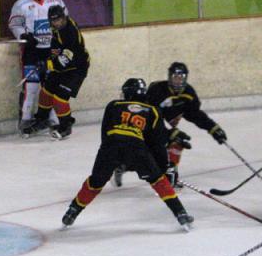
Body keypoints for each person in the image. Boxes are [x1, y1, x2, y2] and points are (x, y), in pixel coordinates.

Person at [61, 78, 194, 230]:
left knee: (96, 182)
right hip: (136, 147)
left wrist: (109, 156)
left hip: (110, 146)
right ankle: (181, 214)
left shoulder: (114, 105)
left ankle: (72, 212)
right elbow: (156, 144)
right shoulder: (153, 111)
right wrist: (164, 168)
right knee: (158, 180)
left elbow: (105, 133)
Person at [145, 62, 227, 183]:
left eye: (181, 77)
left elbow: (195, 114)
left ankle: (170, 176)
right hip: (149, 127)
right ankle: (121, 166)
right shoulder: (157, 91)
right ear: (169, 77)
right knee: (144, 152)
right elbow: (149, 117)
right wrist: (168, 132)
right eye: (175, 77)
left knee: (178, 142)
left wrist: (213, 128)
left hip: (165, 128)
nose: (178, 80)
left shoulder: (188, 92)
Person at [8, 0, 66, 133]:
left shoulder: (55, 0)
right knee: (32, 87)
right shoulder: (21, 4)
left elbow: (65, 21)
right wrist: (24, 35)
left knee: (51, 86)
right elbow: (14, 24)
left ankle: (53, 118)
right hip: (31, 52)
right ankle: (26, 119)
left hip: (51, 51)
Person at [21, 4, 89, 139]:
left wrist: (47, 64)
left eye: (58, 20)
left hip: (76, 69)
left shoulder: (70, 33)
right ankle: (42, 120)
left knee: (59, 98)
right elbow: (55, 49)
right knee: (46, 92)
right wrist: (33, 41)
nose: (56, 23)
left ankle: (66, 125)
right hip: (62, 67)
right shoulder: (57, 28)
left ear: (64, 18)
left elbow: (65, 59)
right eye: (53, 21)